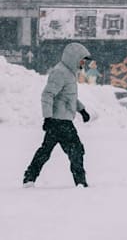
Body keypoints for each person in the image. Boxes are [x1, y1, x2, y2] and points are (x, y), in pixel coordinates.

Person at [22, 42, 92, 188]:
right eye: (82, 60)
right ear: (73, 58)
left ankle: (29, 178)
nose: (83, 63)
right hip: (60, 121)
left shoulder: (69, 73)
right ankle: (81, 183)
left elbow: (68, 96)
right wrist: (47, 117)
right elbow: (47, 95)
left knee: (45, 151)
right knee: (76, 150)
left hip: (60, 120)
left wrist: (82, 110)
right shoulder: (60, 72)